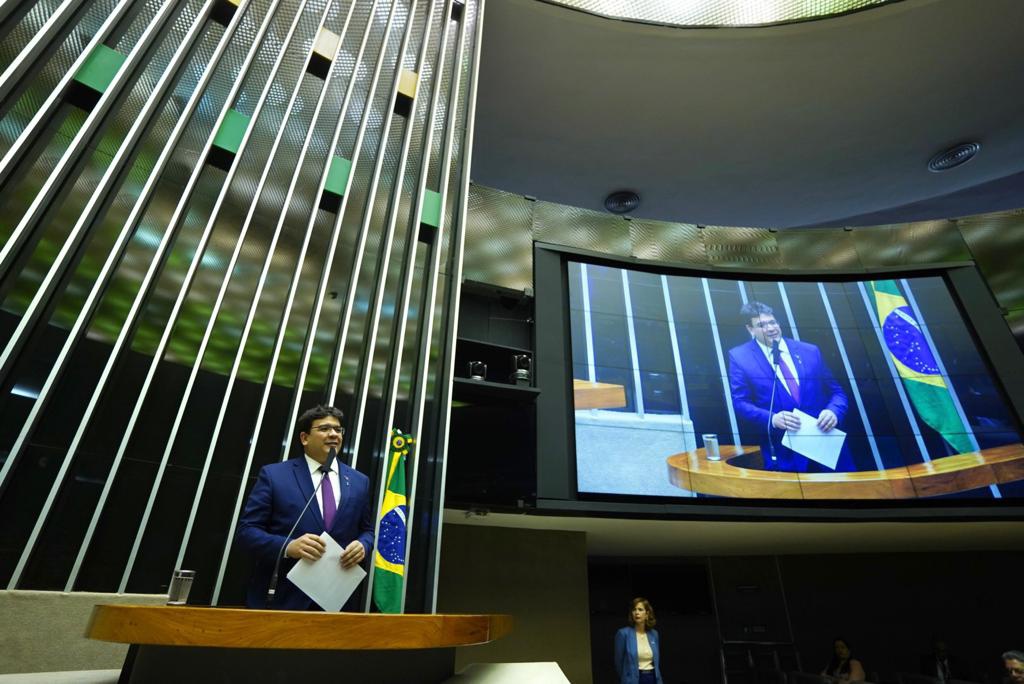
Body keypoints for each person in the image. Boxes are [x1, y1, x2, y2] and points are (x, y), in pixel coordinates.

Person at [237, 405, 374, 610]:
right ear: (304, 438)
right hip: (283, 598)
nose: (334, 434)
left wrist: (363, 545)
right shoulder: (275, 476)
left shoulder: (358, 481)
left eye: (338, 430)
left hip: (337, 600)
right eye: (325, 429)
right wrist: (287, 547)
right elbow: (246, 532)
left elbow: (367, 530)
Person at [727, 300, 850, 472]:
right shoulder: (740, 357)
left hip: (826, 447)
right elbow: (740, 403)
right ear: (750, 329)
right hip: (785, 454)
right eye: (762, 325)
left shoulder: (810, 351)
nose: (770, 328)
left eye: (772, 322)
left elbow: (837, 393)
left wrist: (834, 411)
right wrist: (772, 419)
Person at [614, 597, 664, 684]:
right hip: (633, 680)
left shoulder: (654, 634)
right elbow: (619, 662)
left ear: (647, 614)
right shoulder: (623, 634)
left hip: (653, 678)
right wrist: (627, 678)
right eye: (634, 610)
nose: (637, 613)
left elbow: (656, 661)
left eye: (640, 610)